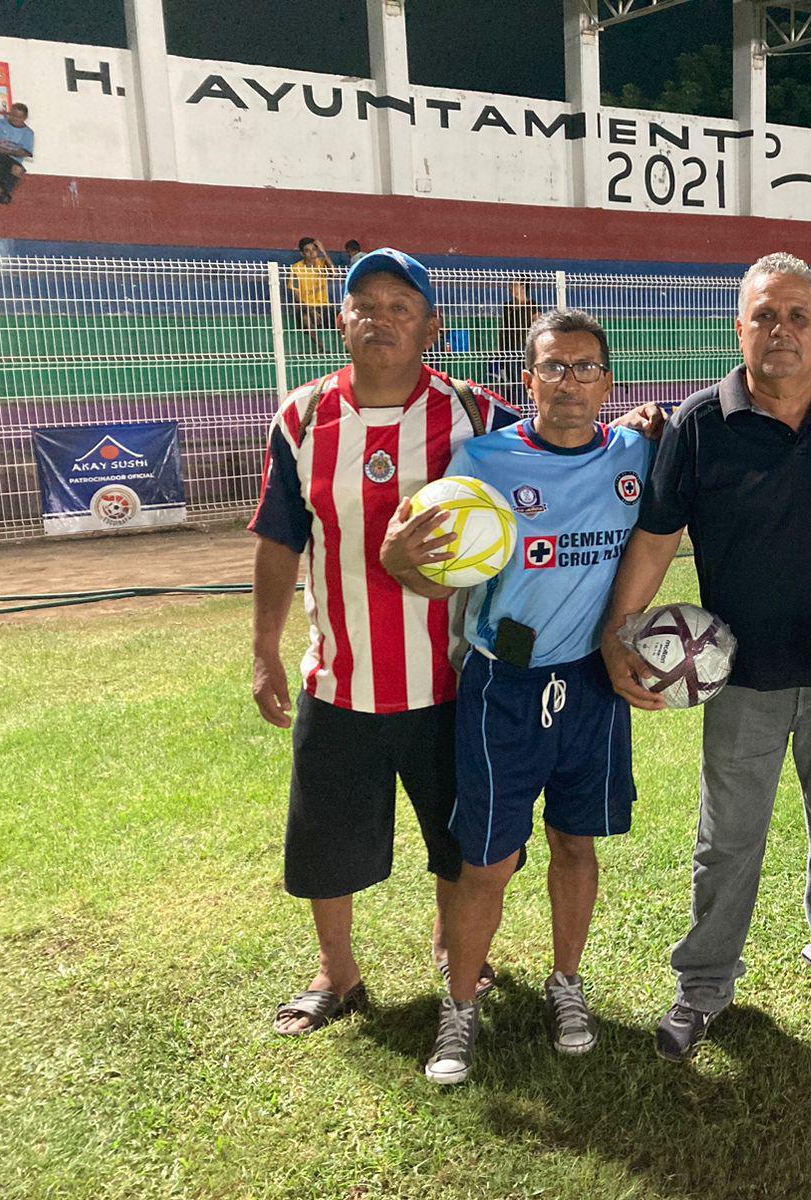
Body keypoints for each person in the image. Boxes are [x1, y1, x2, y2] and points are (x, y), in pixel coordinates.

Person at [600, 251, 811, 1062]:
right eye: (764, 316)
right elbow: (655, 541)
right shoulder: (697, 426)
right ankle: (705, 985)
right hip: (741, 677)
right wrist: (620, 634)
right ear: (739, 327)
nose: (780, 331)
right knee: (728, 841)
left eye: (796, 317)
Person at [250, 247, 522, 1038]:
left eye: (401, 307)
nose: (380, 318)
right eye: (364, 303)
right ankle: (338, 974)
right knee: (325, 842)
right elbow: (277, 536)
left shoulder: (471, 411)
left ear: (432, 328)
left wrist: (639, 427)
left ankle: (453, 949)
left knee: (458, 839)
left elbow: (559, 441)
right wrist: (265, 646)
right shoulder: (301, 417)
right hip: (341, 679)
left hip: (451, 681)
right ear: (340, 321)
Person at [381, 309, 653, 1084]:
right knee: (488, 861)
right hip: (504, 683)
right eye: (553, 368)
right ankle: (459, 1007)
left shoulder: (635, 452)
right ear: (526, 379)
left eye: (585, 367)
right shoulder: (484, 461)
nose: (569, 383)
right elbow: (428, 565)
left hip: (594, 684)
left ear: (607, 379)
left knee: (576, 841)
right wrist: (403, 559)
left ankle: (567, 984)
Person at [288, 238, 335, 349]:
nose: (311, 253)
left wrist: (323, 251)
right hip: (307, 307)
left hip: (324, 306)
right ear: (302, 253)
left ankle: (348, 349)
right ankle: (322, 348)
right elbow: (296, 296)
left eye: (314, 249)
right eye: (307, 250)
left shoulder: (323, 264)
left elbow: (334, 273)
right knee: (305, 318)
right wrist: (311, 310)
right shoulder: (295, 268)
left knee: (343, 319)